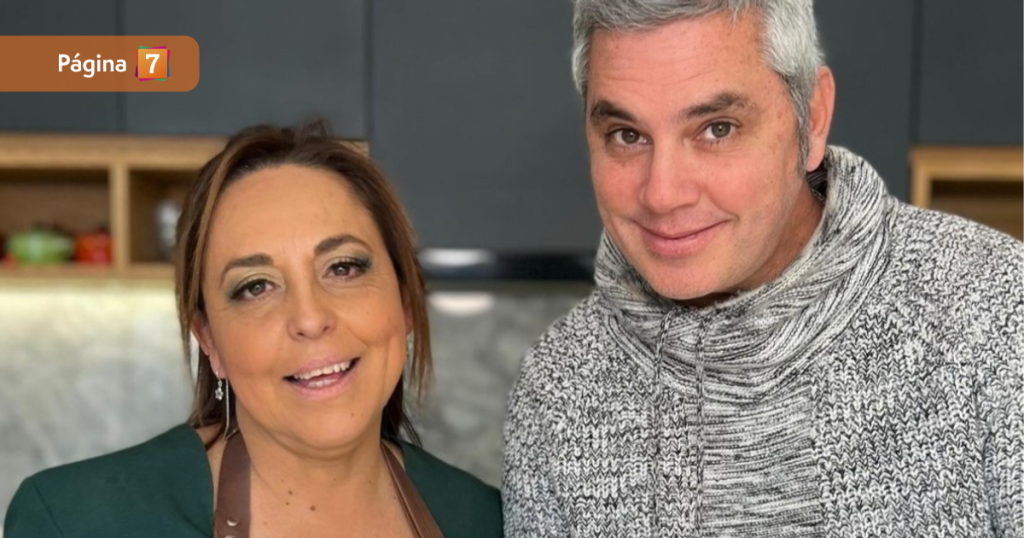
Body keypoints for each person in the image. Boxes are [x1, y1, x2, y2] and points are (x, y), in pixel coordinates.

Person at [503, 1, 1022, 536]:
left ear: (811, 119)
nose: (662, 194)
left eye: (717, 129)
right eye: (627, 135)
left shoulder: (994, 313)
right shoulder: (558, 387)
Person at [5, 122, 502, 538]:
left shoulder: (487, 521)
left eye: (344, 267)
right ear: (210, 342)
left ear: (405, 300)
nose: (310, 318)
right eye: (255, 286)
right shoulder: (77, 521)